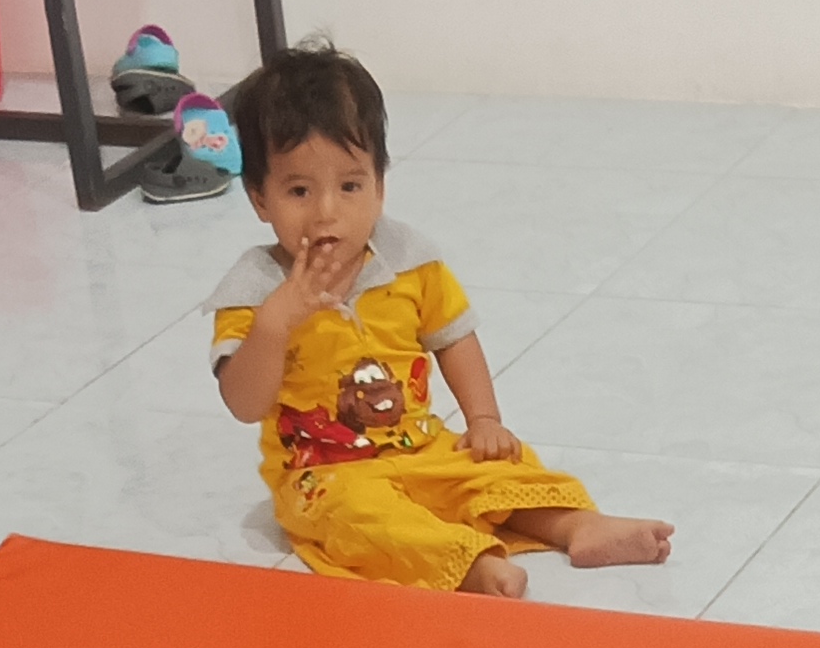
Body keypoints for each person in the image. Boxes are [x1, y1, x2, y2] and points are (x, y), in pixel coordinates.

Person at [209, 43, 675, 596]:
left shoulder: (409, 260)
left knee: (495, 470)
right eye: (299, 191)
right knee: (364, 520)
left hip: (422, 447)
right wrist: (274, 323)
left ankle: (575, 526)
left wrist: (483, 419)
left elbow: (454, 339)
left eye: (350, 186)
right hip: (325, 475)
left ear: (380, 187)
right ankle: (467, 563)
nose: (327, 212)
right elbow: (244, 405)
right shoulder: (254, 288)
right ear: (260, 199)